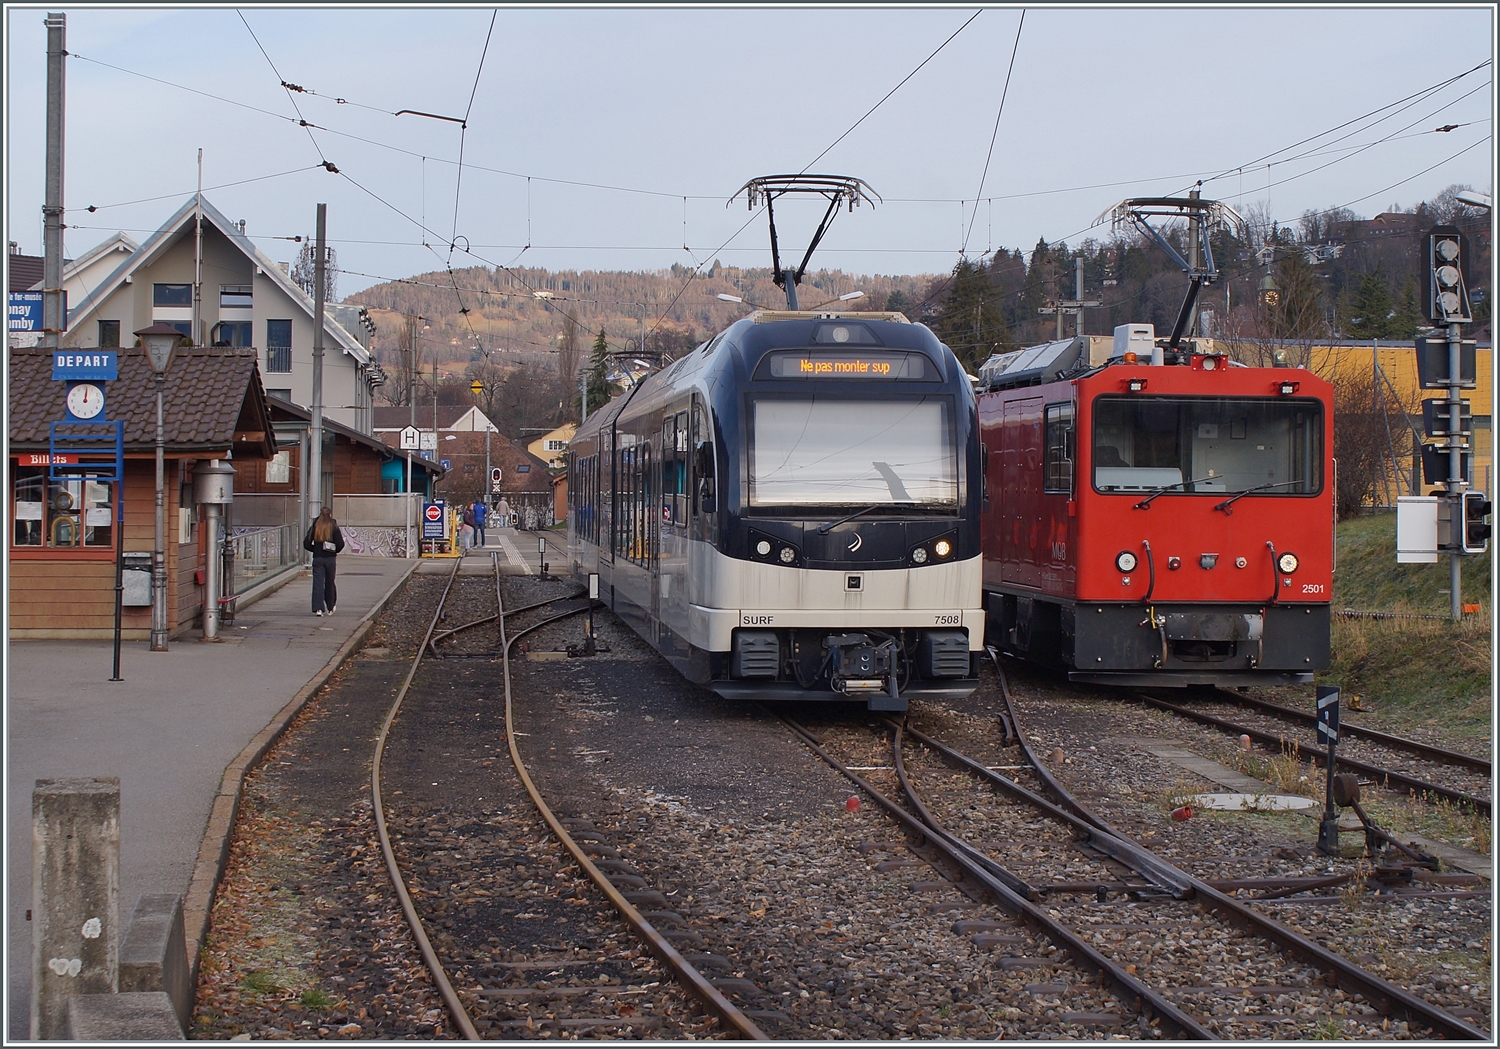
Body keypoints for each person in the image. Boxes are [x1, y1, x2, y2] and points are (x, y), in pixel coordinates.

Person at [302, 507, 345, 616]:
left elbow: (306, 543)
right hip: (330, 559)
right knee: (330, 582)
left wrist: (316, 549)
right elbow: (340, 544)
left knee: (318, 583)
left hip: (318, 559)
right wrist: (334, 551)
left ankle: (318, 609)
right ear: (330, 514)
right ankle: (330, 606)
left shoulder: (316, 525)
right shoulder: (333, 525)